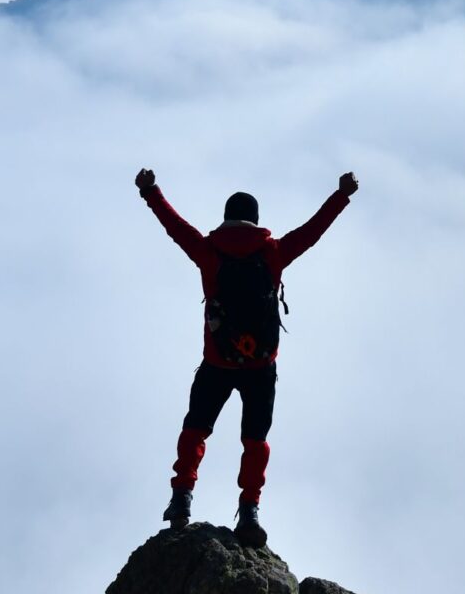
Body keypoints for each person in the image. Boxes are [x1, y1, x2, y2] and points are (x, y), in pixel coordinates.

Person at [134, 166, 357, 544]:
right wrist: (341, 196)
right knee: (255, 441)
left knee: (195, 429)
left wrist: (150, 191)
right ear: (256, 221)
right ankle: (250, 510)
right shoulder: (272, 253)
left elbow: (174, 226)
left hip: (217, 362)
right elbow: (312, 232)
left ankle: (181, 498)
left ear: (225, 219)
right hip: (260, 367)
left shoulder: (208, 251)